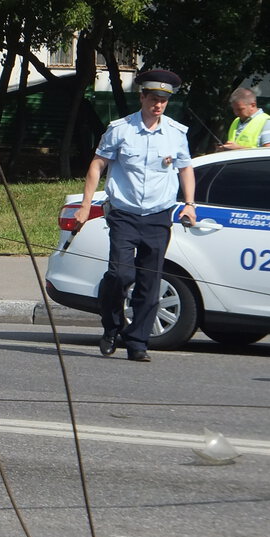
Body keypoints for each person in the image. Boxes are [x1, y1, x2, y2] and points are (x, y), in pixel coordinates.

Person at [74, 69, 196, 363]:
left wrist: (190, 203)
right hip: (124, 215)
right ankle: (112, 326)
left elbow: (185, 168)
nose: (158, 105)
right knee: (120, 274)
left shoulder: (176, 134)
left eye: (163, 101)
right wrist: (84, 204)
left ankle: (138, 341)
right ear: (142, 97)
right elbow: (97, 165)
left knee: (149, 283)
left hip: (157, 216)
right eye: (153, 98)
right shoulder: (121, 129)